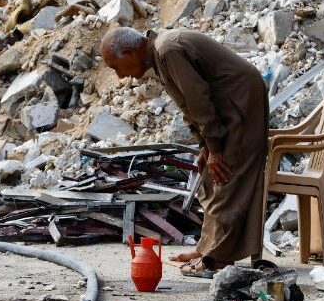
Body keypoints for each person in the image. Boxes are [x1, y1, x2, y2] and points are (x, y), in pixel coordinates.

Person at [100, 27, 269, 275]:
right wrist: (205, 146)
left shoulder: (168, 50)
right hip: (225, 106)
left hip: (240, 101)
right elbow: (187, 104)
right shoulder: (161, 55)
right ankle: (207, 248)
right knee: (209, 177)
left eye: (116, 67)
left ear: (129, 52)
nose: (119, 76)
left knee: (227, 174)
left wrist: (215, 148)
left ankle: (218, 259)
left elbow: (198, 99)